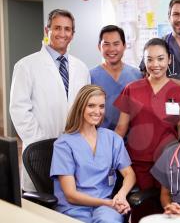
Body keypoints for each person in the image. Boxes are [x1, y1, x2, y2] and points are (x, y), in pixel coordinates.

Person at [9, 9, 90, 192]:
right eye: (57, 28)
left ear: (73, 34)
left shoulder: (81, 68)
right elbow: (19, 110)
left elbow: (86, 109)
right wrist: (41, 143)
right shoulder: (26, 66)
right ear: (47, 31)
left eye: (67, 29)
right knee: (42, 203)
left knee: (70, 203)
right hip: (40, 151)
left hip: (73, 148)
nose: (62, 34)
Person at [50, 85, 136, 223]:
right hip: (74, 208)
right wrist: (109, 203)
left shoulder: (113, 139)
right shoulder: (64, 144)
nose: (97, 111)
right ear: (80, 107)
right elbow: (71, 195)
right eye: (91, 106)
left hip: (104, 209)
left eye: (101, 106)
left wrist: (121, 195)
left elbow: (129, 174)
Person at [115, 38, 180, 190]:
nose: (155, 65)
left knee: (168, 208)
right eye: (150, 59)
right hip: (138, 163)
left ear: (169, 59)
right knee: (141, 208)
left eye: (161, 59)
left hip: (169, 162)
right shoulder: (132, 89)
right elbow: (120, 129)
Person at [90, 25, 142, 130]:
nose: (111, 49)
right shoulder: (90, 76)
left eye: (116, 44)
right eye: (106, 44)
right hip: (100, 138)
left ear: (124, 46)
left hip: (132, 140)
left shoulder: (137, 75)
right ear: (99, 47)